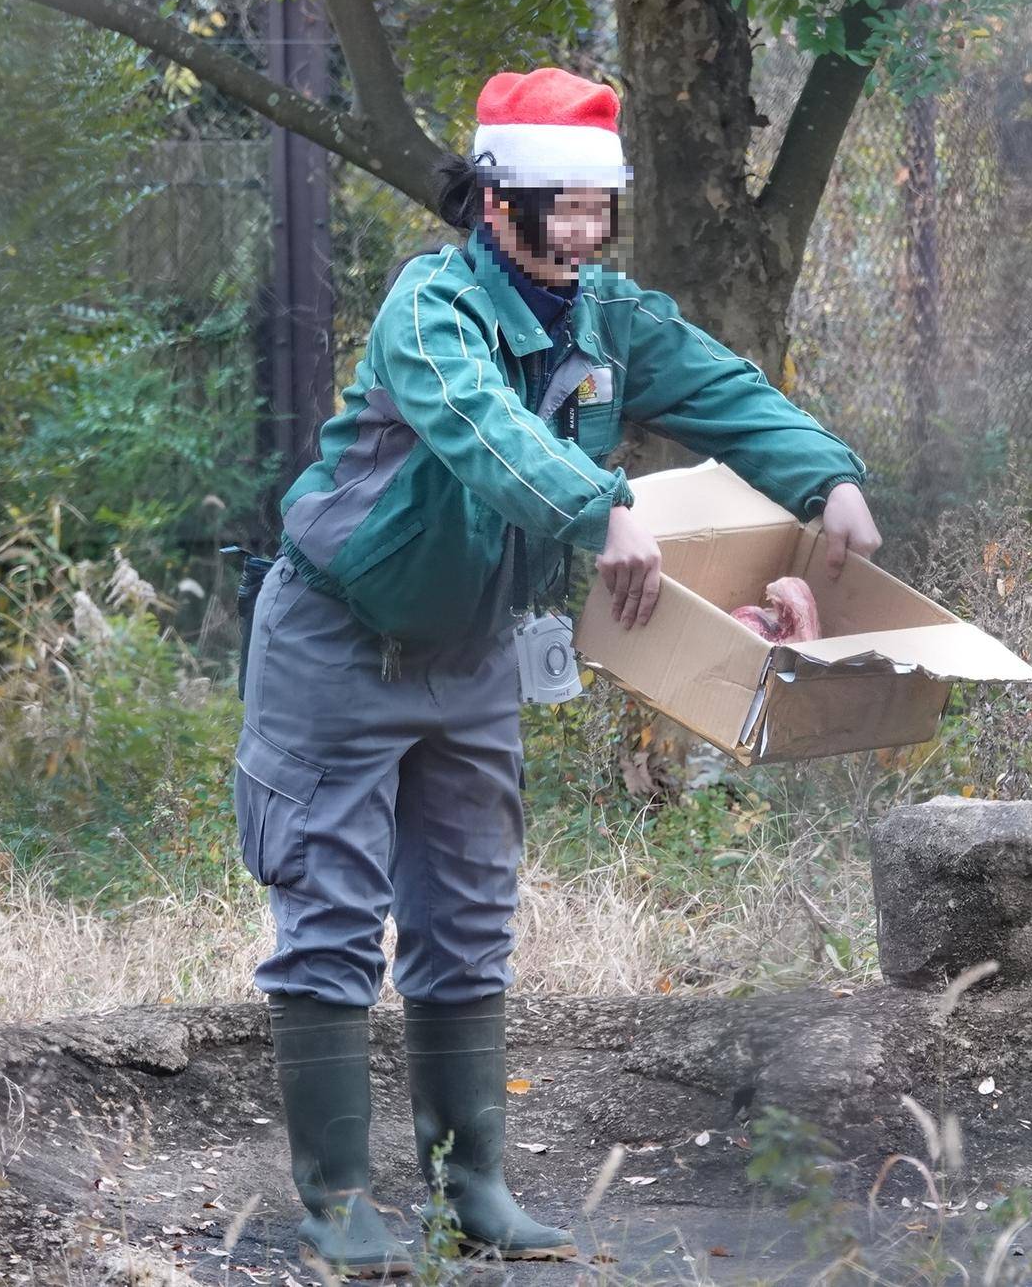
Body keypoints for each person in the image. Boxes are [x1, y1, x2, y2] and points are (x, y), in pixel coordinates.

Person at [234, 66, 882, 1275]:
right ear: (494, 201)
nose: (582, 235)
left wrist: (826, 477)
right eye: (560, 210)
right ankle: (333, 1199)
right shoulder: (430, 312)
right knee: (328, 918)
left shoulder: (607, 316)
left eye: (598, 211)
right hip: (339, 648)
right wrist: (601, 506)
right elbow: (483, 430)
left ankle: (469, 1184)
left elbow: (725, 393)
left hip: (474, 657)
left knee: (468, 918)